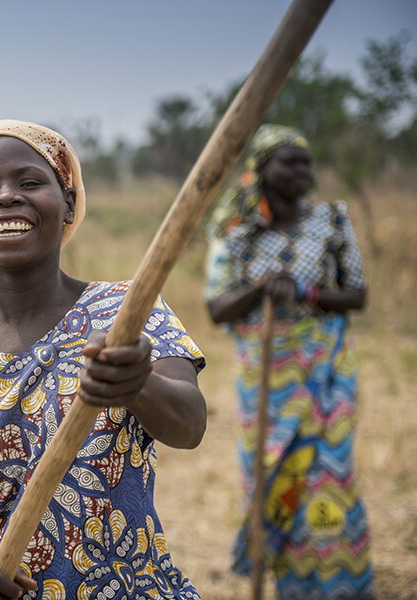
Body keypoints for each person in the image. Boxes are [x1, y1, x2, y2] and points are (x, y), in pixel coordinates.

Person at [0, 120, 207, 600]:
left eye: (30, 182)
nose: (6, 196)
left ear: (69, 202)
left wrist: (136, 383)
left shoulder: (127, 311)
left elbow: (190, 424)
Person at [204, 124, 374, 599]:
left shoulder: (332, 220)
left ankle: (339, 584)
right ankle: (289, 585)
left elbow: (357, 295)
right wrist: (262, 288)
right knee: (273, 473)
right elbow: (217, 307)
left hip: (327, 370)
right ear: (261, 169)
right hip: (266, 377)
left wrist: (305, 292)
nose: (303, 171)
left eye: (307, 162)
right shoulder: (235, 232)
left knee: (327, 474)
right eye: (290, 161)